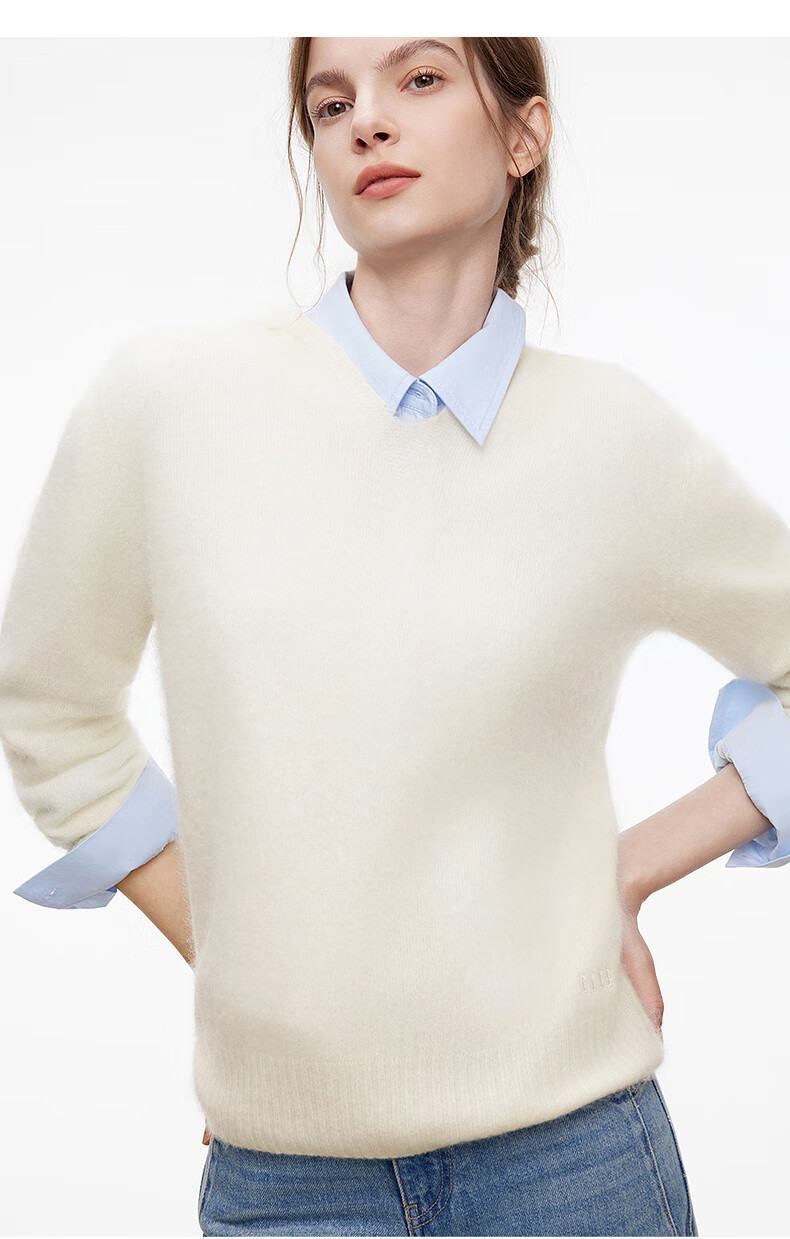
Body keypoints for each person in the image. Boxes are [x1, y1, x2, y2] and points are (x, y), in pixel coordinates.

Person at [2, 35, 790, 1237]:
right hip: (289, 1184)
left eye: (418, 80)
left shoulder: (615, 440)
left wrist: (625, 868)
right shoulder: (167, 402)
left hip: (579, 1166)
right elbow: (50, 709)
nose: (366, 121)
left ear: (522, 136)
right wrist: (250, 969)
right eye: (330, 104)